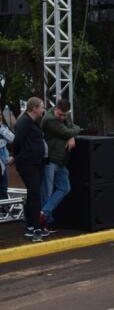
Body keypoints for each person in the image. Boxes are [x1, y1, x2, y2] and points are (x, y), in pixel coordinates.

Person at [41, 99, 81, 232]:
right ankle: (46, 221)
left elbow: (71, 128)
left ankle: (44, 213)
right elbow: (70, 130)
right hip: (50, 160)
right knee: (46, 192)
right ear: (56, 108)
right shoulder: (49, 119)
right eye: (60, 115)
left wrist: (71, 135)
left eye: (65, 115)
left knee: (65, 187)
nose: (63, 117)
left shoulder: (65, 115)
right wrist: (72, 134)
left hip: (61, 160)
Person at [12, 97, 47, 242]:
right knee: (35, 194)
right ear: (34, 108)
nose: (43, 109)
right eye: (42, 107)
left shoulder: (32, 122)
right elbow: (17, 142)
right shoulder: (25, 122)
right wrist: (18, 157)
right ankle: (35, 227)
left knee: (33, 194)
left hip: (34, 163)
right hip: (28, 164)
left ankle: (32, 225)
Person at [0, 112, 14, 200]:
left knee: (3, 187)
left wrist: (1, 129)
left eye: (0, 114)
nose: (0, 116)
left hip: (3, 164)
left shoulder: (3, 127)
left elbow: (13, 139)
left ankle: (4, 211)